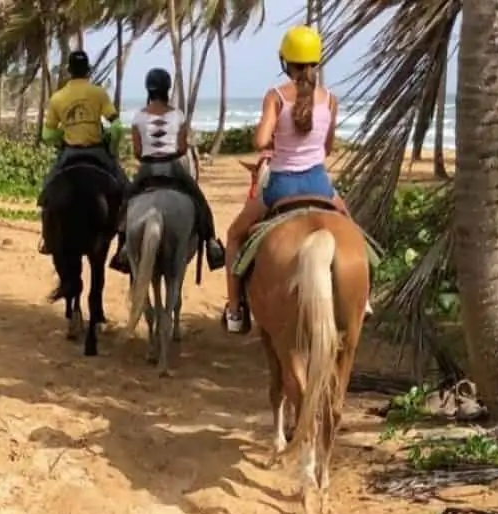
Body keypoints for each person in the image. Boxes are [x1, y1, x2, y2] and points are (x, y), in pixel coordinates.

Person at [221, 25, 366, 334]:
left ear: (285, 61)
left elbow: (261, 140)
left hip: (281, 185)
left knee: (234, 235)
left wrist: (273, 141)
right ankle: (363, 299)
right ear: (317, 60)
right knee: (353, 231)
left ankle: (234, 310)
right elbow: (326, 148)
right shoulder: (329, 100)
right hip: (319, 184)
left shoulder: (275, 96)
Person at [109, 68, 225, 275]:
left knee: (127, 200)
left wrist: (149, 153)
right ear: (167, 89)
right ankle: (211, 243)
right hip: (173, 166)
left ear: (149, 89)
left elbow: (137, 151)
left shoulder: (138, 117)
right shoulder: (177, 115)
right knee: (199, 199)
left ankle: (123, 248)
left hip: (147, 168)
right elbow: (181, 148)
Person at [38, 50, 128, 258]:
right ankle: (124, 243)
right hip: (97, 151)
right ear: (88, 70)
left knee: (47, 192)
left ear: (69, 71)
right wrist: (111, 146)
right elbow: (116, 127)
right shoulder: (98, 93)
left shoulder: (58, 97)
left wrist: (62, 136)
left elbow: (47, 134)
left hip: (70, 153)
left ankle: (47, 238)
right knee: (127, 191)